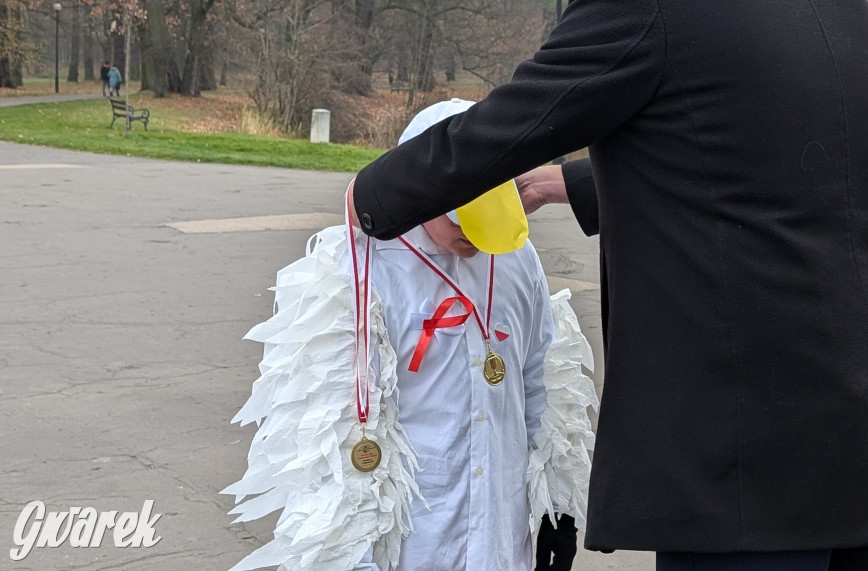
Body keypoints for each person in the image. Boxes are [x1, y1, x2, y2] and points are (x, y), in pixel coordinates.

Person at [348, 0, 868, 571]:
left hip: (747, 461)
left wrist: (375, 195)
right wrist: (567, 182)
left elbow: (518, 118)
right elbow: (766, 161)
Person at [226, 99, 597, 571]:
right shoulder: (359, 273)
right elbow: (335, 434)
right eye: (463, 222)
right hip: (414, 544)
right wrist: (350, 556)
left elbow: (540, 381)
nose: (475, 240)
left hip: (501, 537)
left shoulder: (517, 261)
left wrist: (556, 506)